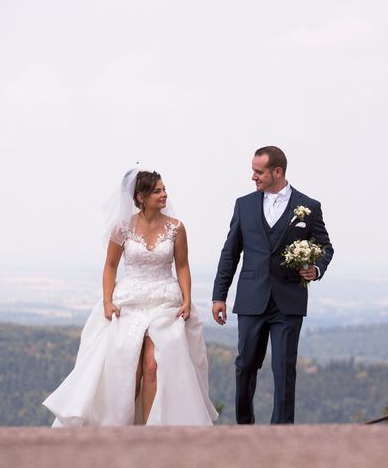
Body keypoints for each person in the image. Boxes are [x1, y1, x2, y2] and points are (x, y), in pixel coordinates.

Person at [43, 169, 218, 426]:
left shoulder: (176, 228)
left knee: (153, 367)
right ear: (141, 196)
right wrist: (106, 301)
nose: (164, 194)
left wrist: (187, 299)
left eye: (164, 189)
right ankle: (121, 428)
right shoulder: (122, 229)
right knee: (129, 368)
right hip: (130, 302)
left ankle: (150, 430)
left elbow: (182, 266)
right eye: (158, 190)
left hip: (164, 302)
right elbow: (110, 266)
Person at [212, 146, 334, 424]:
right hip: (251, 298)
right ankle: (245, 426)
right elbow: (230, 252)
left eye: (258, 171)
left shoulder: (309, 207)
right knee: (245, 366)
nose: (252, 177)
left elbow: (326, 247)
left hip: (288, 300)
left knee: (284, 369)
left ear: (277, 172)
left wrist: (316, 269)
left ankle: (281, 432)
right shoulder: (244, 204)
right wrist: (219, 295)